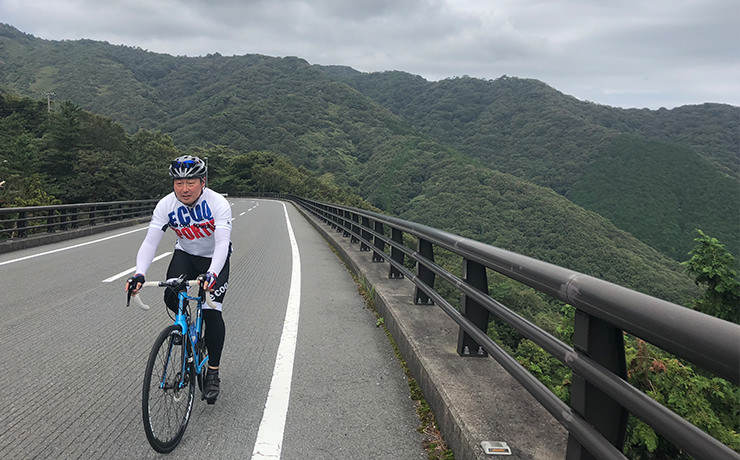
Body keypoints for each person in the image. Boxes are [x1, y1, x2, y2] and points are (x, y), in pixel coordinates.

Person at [126, 155, 232, 403]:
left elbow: (222, 243)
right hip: (185, 254)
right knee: (171, 295)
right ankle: (188, 332)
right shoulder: (166, 205)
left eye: (191, 182)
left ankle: (213, 372)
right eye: (178, 183)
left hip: (214, 259)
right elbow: (150, 242)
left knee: (211, 312)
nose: (184, 189)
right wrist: (139, 273)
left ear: (203, 181)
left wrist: (213, 274)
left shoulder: (217, 203)